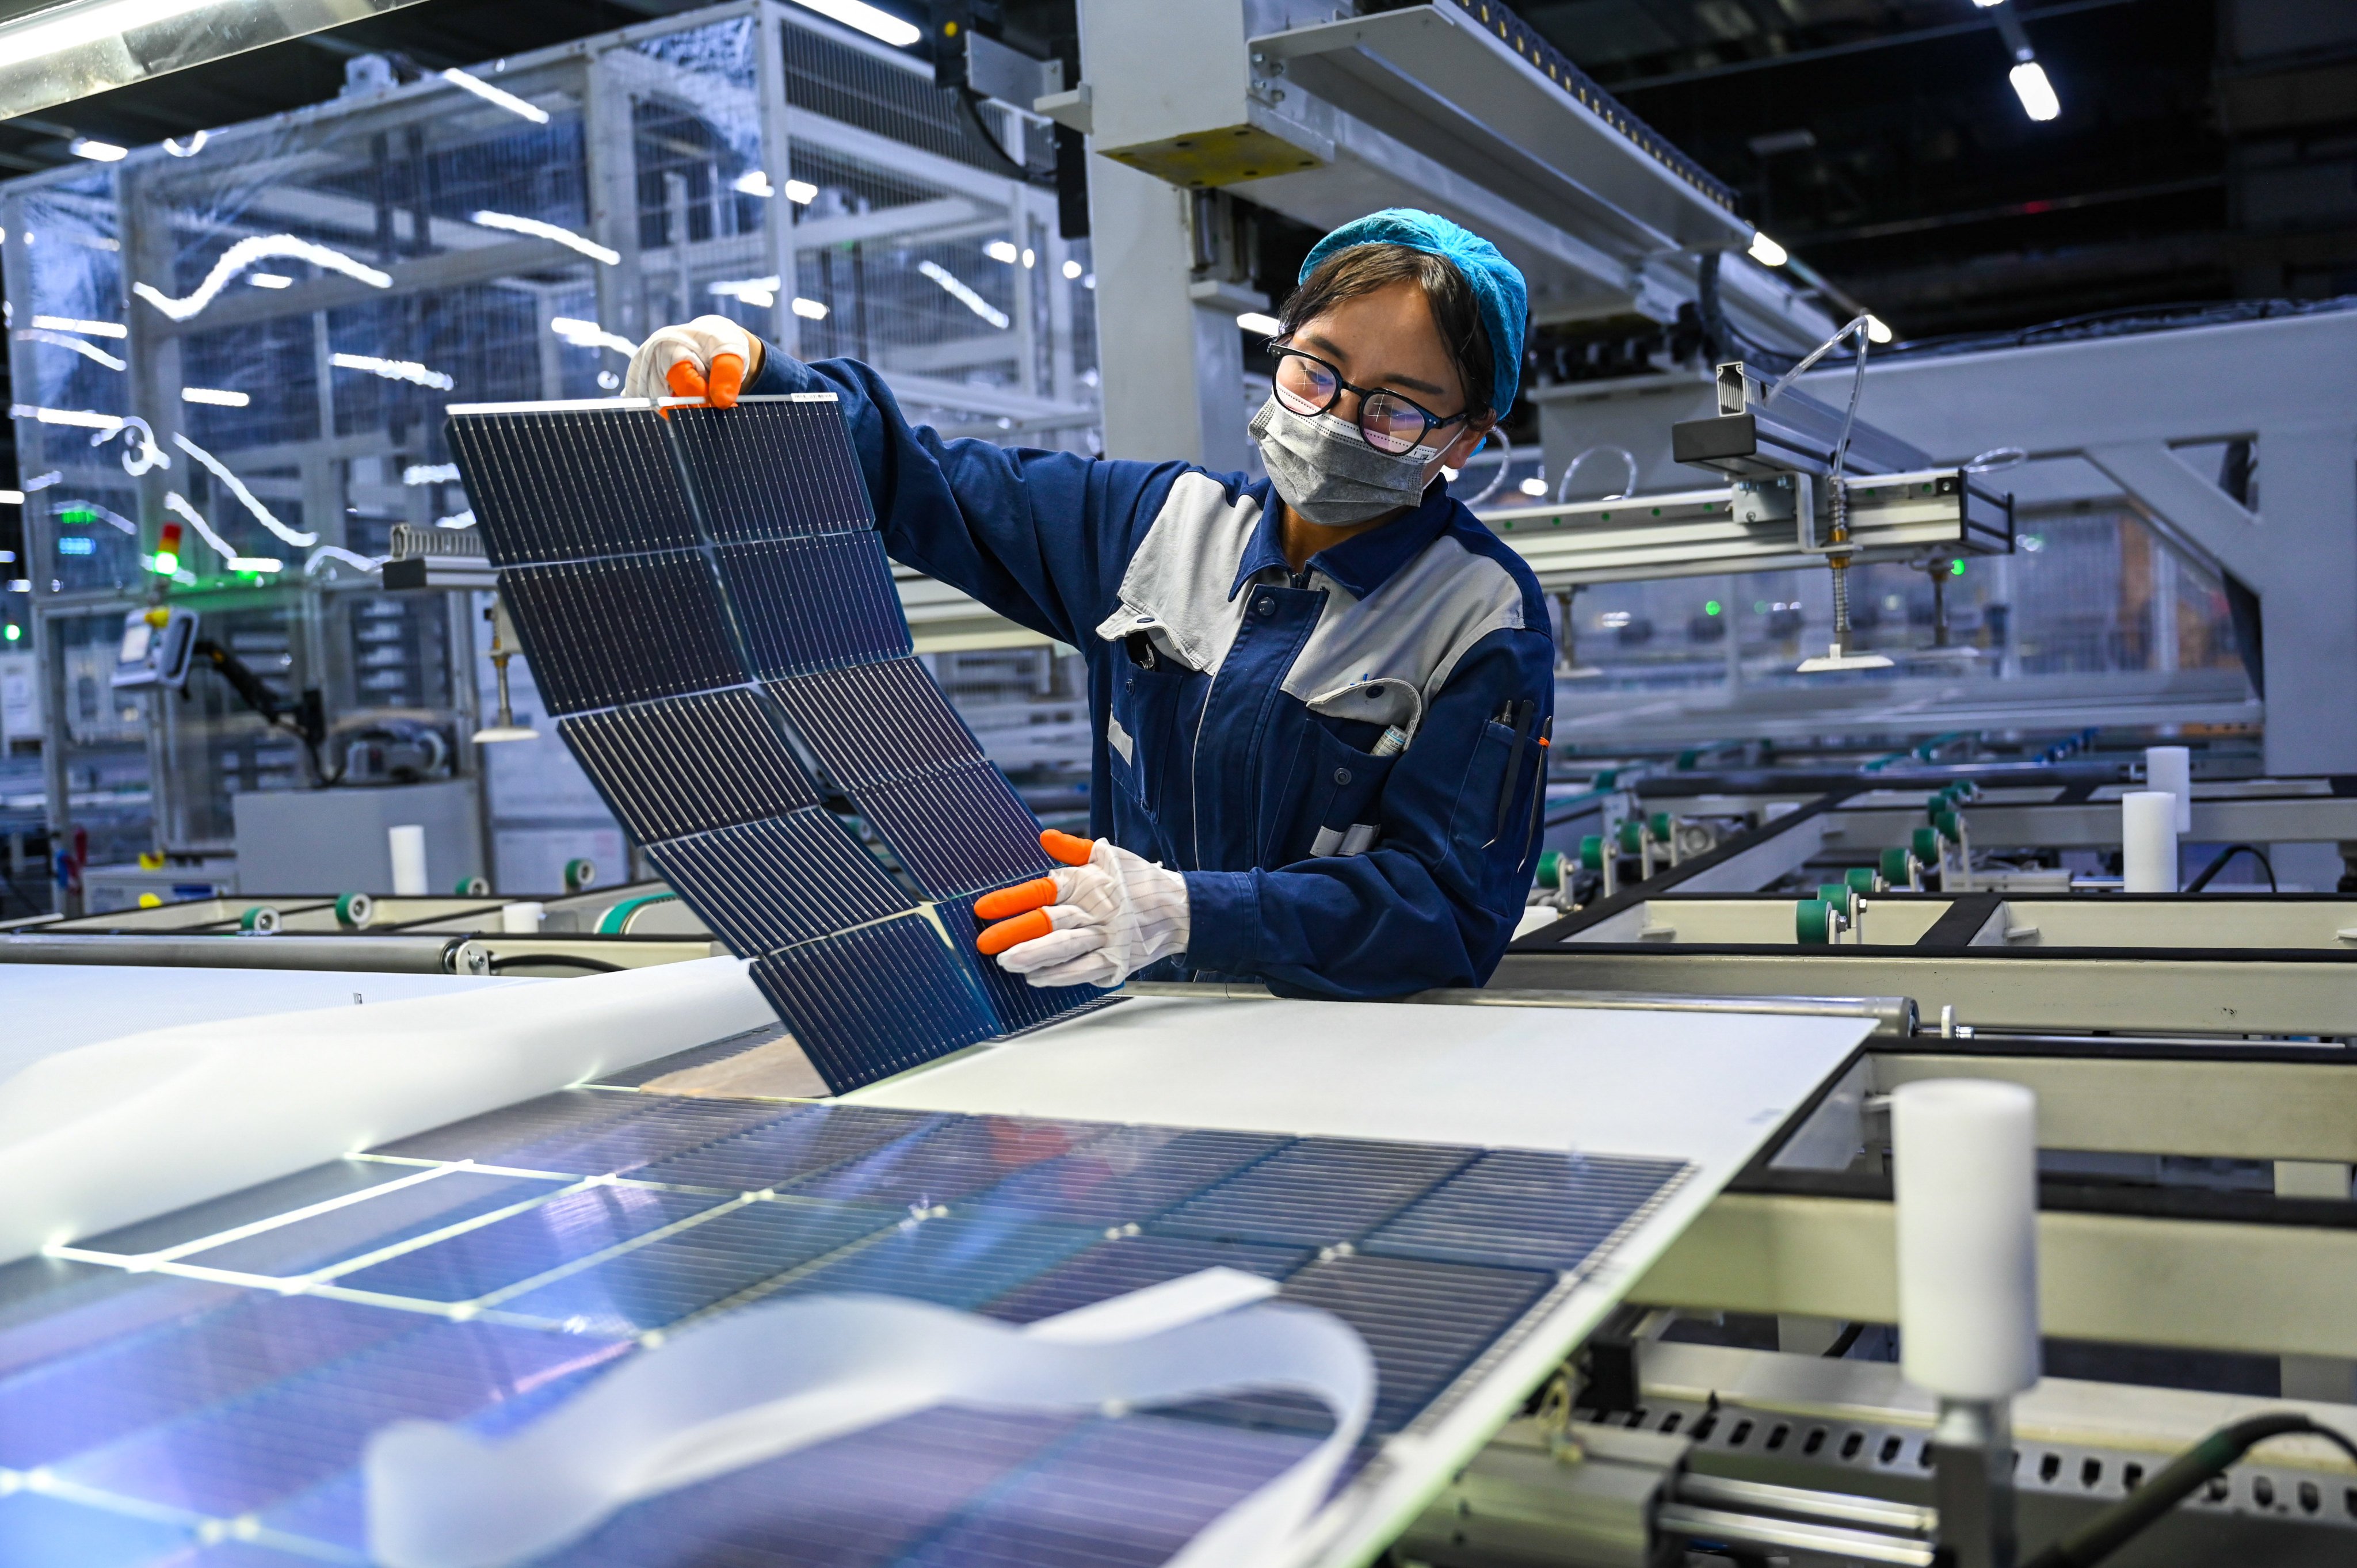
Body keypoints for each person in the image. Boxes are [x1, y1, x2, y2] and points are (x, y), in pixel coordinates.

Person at [624, 208, 1553, 1001]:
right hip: (1133, 1030)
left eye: (1395, 410)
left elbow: (1450, 912)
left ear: (1463, 441)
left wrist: (1187, 914)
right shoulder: (1156, 525)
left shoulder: (1481, 613)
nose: (1336, 421)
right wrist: (761, 379)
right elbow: (922, 481)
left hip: (1345, 1059)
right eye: (1316, 372)